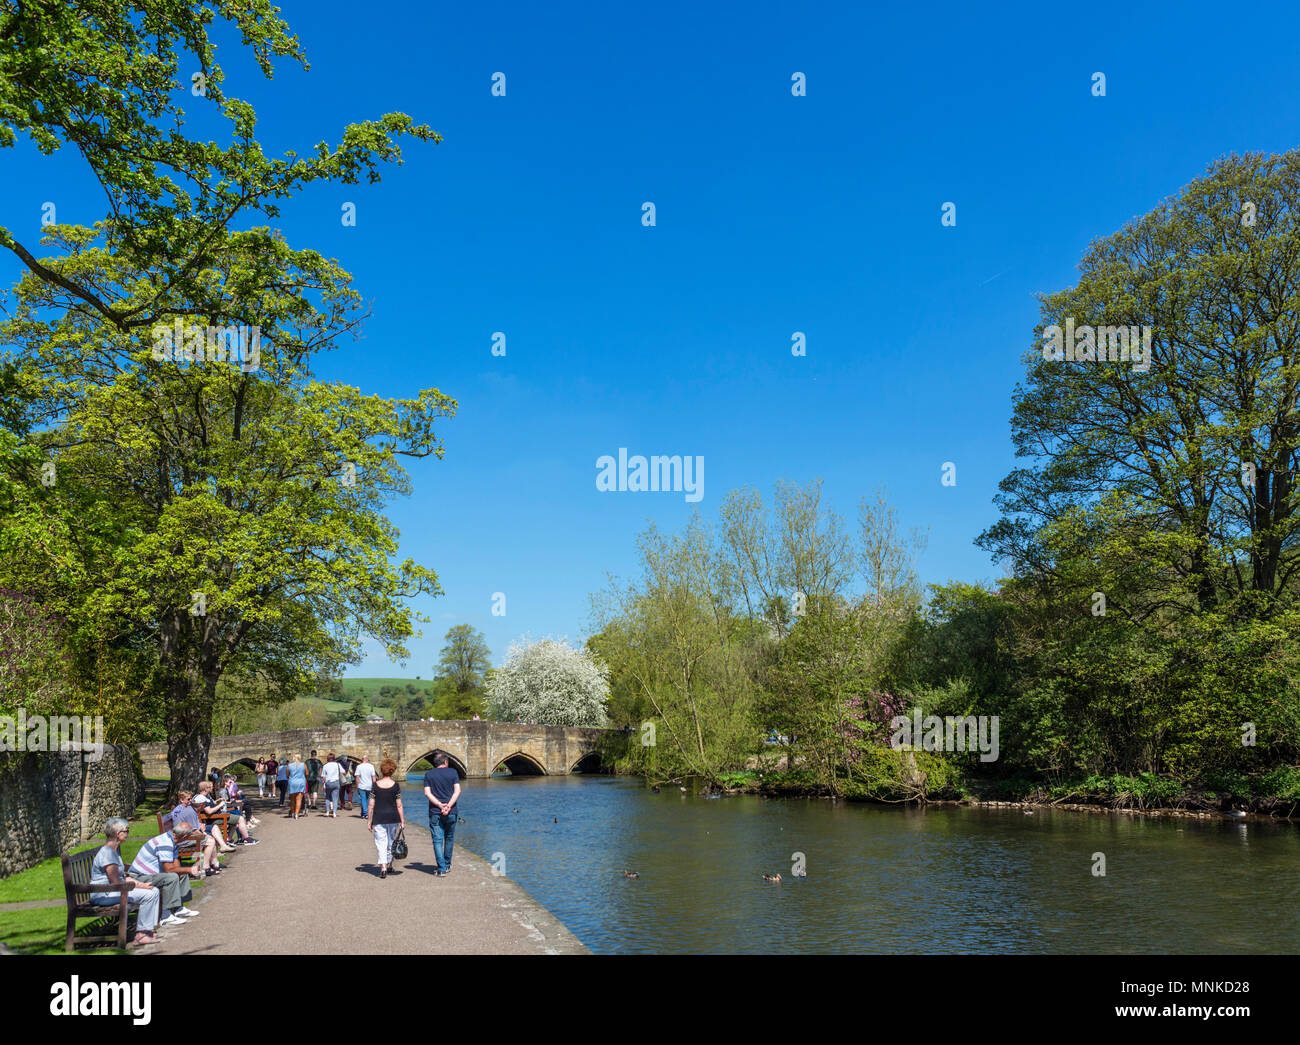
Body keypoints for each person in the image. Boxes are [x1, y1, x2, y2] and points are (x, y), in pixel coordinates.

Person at [90, 817, 161, 947]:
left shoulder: (113, 851)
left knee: (153, 890)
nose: (128, 833)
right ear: (118, 834)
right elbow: (116, 882)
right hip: (103, 894)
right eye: (127, 830)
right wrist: (137, 885)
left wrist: (140, 885)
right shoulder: (107, 853)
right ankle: (141, 935)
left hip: (112, 891)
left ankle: (147, 931)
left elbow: (122, 877)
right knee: (149, 894)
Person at [127, 821, 202, 925]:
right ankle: (165, 915)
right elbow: (169, 870)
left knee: (182, 873)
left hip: (151, 874)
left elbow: (176, 866)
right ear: (184, 836)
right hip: (140, 877)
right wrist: (190, 869)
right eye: (189, 835)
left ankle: (178, 909)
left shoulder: (172, 841)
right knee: (171, 877)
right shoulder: (165, 843)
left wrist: (185, 870)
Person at [422, 751, 461, 877]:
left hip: (435, 811)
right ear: (445, 762)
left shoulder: (428, 774)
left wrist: (440, 805)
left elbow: (427, 793)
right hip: (451, 811)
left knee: (437, 840)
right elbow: (457, 791)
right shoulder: (453, 772)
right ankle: (447, 865)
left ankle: (441, 868)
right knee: (449, 838)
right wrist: (448, 805)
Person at [367, 758, 405, 878]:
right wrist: (402, 820)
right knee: (391, 843)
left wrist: (369, 820)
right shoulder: (396, 786)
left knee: (380, 843)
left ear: (382, 771)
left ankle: (383, 867)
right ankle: (389, 865)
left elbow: (371, 804)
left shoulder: (375, 786)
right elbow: (399, 805)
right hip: (393, 817)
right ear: (392, 771)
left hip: (379, 818)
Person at [170, 792, 224, 874]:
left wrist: (203, 833)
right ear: (201, 805)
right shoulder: (191, 812)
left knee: (210, 838)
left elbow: (194, 828)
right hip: (182, 840)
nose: (205, 805)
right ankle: (206, 868)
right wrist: (204, 835)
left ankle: (213, 864)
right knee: (210, 841)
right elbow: (194, 830)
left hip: (184, 836)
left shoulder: (192, 810)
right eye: (204, 804)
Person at [194, 780, 260, 845]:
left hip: (217, 816)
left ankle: (229, 839)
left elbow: (210, 806)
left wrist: (217, 801)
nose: (211, 788)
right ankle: (246, 839)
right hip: (214, 819)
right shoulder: (202, 798)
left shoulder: (205, 796)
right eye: (209, 787)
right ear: (205, 788)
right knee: (240, 818)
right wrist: (220, 805)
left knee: (235, 818)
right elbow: (209, 811)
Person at [320, 752, 342, 818]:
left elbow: (323, 777)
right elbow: (343, 772)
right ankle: (334, 813)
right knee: (335, 798)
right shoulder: (337, 764)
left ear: (328, 758)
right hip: (336, 782)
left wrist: (322, 785)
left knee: (327, 797)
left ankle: (327, 812)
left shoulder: (325, 766)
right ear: (334, 758)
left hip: (328, 783)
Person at [287, 753, 308, 818]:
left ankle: (293, 813)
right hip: (301, 782)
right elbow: (307, 773)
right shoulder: (303, 765)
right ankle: (296, 814)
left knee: (292, 800)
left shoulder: (289, 765)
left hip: (292, 782)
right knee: (299, 799)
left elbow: (287, 775)